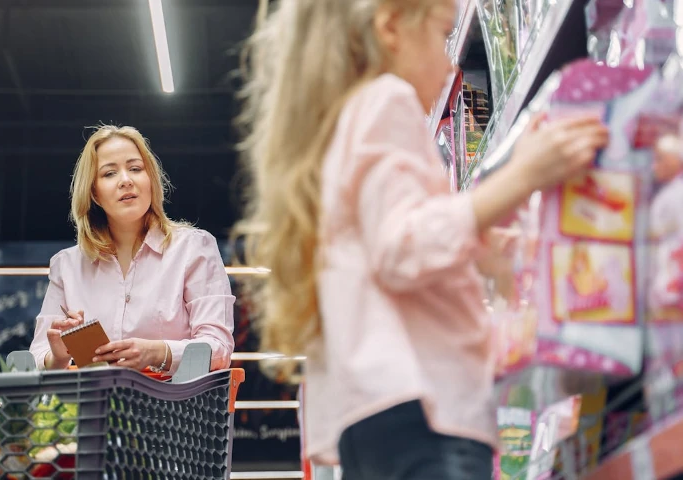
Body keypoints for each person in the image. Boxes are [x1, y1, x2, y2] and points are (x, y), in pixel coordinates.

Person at [234, 0, 609, 478]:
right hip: (424, 406)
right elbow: (402, 247)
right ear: (390, 28)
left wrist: (488, 246)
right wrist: (522, 176)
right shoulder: (385, 100)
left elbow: (387, 249)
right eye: (442, 33)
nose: (454, 64)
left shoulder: (338, 131)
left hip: (377, 413)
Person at [30, 125, 235, 375]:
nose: (126, 180)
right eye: (109, 173)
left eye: (136, 169)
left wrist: (156, 352)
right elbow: (36, 357)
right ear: (94, 193)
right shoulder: (67, 266)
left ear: (150, 180)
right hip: (96, 410)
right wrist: (59, 356)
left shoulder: (194, 249)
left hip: (177, 409)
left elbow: (219, 348)